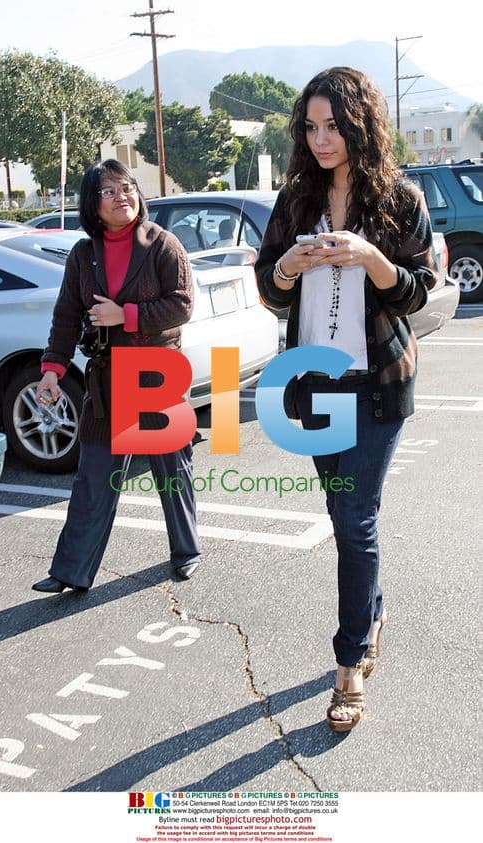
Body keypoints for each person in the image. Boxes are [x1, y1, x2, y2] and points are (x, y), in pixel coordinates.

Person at [255, 67, 437, 732]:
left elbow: (420, 290)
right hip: (315, 383)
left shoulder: (399, 198)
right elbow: (269, 288)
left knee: (355, 518)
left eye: (333, 125)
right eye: (311, 127)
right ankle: (374, 613)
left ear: (360, 124)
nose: (321, 138)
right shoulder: (296, 199)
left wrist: (369, 257)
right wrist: (287, 267)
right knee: (345, 513)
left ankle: (350, 659)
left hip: (377, 382)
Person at [32, 159, 201, 594]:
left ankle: (186, 550)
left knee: (172, 470)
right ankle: (70, 571)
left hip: (156, 374)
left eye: (126, 187)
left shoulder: (162, 244)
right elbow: (66, 316)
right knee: (94, 474)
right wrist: (52, 370)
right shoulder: (83, 255)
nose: (121, 197)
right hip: (107, 380)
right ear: (93, 204)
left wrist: (124, 315)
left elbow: (181, 305)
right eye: (108, 191)